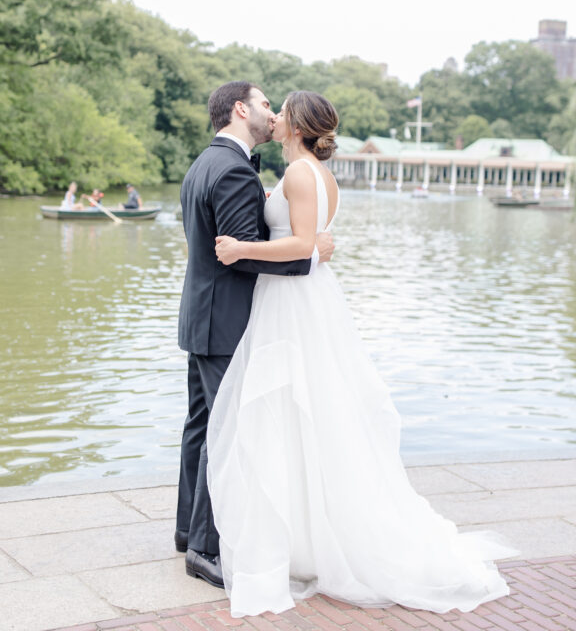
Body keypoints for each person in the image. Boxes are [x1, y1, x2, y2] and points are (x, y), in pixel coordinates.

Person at [207, 90, 515, 618]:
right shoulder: (317, 175)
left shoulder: (303, 175)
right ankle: (306, 531)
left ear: (298, 125)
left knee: (292, 410)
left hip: (293, 302)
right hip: (302, 298)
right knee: (303, 412)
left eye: (282, 111)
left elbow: (303, 244)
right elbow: (315, 242)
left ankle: (306, 536)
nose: (275, 118)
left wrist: (242, 249)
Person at [175, 81, 335, 590]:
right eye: (266, 105)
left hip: (201, 316)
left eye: (278, 109)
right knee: (224, 430)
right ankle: (205, 548)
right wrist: (312, 254)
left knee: (201, 425)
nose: (272, 114)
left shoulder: (204, 164)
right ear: (241, 109)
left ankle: (186, 529)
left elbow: (230, 246)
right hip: (226, 322)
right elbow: (241, 254)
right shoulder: (236, 172)